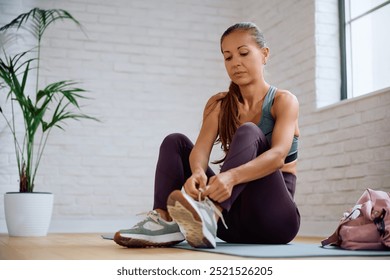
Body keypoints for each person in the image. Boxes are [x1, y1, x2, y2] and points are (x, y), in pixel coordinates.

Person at [114, 22, 301, 249]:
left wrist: (230, 177)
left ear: (264, 54)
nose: (236, 63)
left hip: (275, 222)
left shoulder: (283, 101)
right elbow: (200, 150)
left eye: (243, 53)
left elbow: (279, 156)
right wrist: (198, 173)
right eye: (228, 57)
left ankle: (210, 211)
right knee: (175, 141)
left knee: (249, 130)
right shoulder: (220, 104)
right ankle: (164, 221)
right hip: (230, 225)